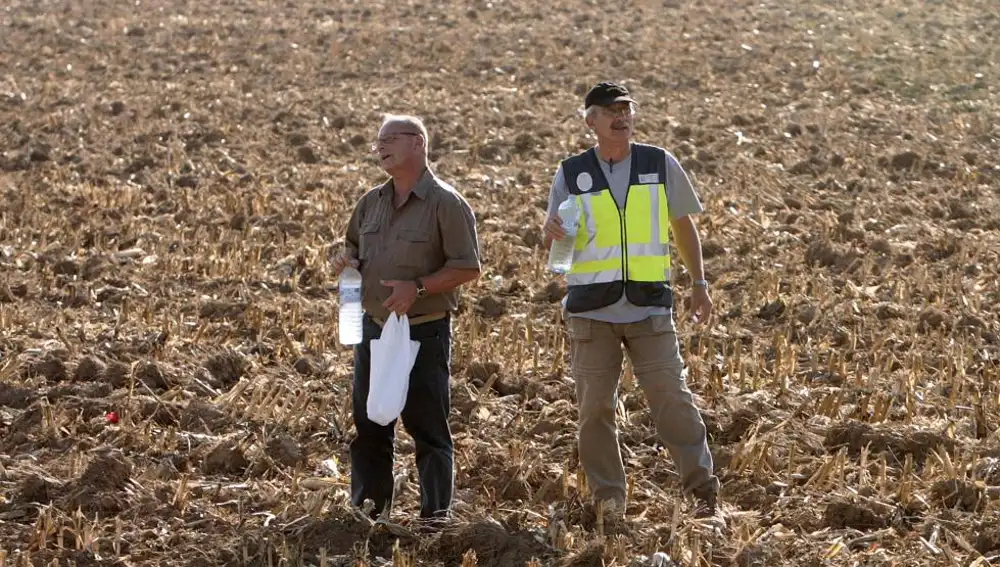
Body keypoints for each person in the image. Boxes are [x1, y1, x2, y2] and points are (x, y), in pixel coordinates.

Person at [542, 81, 722, 524]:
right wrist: (552, 234)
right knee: (594, 412)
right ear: (591, 121)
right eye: (610, 111)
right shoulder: (571, 172)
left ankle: (703, 494)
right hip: (591, 311)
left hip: (648, 307)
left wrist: (699, 282)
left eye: (627, 109)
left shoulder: (658, 163)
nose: (622, 117)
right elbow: (557, 242)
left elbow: (682, 226)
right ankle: (609, 503)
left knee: (673, 400)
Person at [330, 114, 481, 522]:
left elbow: (468, 268)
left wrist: (416, 288)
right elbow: (348, 248)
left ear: (418, 143)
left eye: (389, 139)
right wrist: (346, 260)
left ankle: (435, 520)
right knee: (369, 425)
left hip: (423, 331)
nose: (380, 147)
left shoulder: (446, 203)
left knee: (428, 429)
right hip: (373, 329)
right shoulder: (371, 202)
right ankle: (368, 512)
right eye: (377, 141)